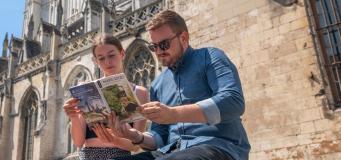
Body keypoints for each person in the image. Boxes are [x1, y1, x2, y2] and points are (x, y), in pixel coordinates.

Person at [109, 10, 250, 160]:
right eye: (153, 47)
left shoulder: (209, 57)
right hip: (172, 152)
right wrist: (134, 136)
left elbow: (233, 101)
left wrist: (173, 114)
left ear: (183, 38)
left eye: (164, 44)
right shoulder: (158, 84)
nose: (158, 52)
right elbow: (160, 137)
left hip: (218, 147)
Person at [63, 33, 150, 160]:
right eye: (101, 58)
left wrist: (114, 140)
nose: (108, 62)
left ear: (122, 54)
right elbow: (78, 142)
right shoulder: (86, 90)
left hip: (120, 157)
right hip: (88, 156)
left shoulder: (140, 92)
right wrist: (74, 117)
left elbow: (136, 146)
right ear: (96, 61)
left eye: (111, 55)